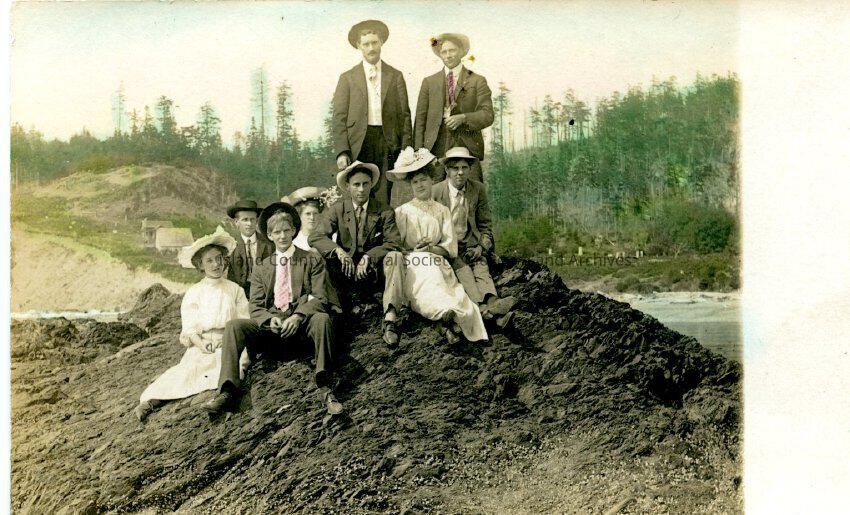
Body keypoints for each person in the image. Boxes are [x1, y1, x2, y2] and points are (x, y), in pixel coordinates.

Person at [204, 202, 344, 416]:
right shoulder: (262, 267)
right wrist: (270, 320)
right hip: (272, 333)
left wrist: (298, 316)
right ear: (269, 235)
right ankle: (227, 390)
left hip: (301, 330)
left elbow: (320, 297)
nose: (282, 236)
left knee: (322, 319)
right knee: (234, 326)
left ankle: (325, 385)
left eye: (286, 230)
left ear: (294, 230)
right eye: (277, 232)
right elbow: (255, 305)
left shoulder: (310, 259)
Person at [134, 226, 250, 422]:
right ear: (200, 266)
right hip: (202, 344)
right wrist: (201, 344)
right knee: (186, 373)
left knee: (229, 368)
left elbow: (243, 320)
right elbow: (189, 327)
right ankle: (151, 402)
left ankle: (224, 397)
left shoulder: (235, 290)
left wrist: (227, 340)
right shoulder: (195, 292)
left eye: (219, 259)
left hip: (230, 343)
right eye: (209, 261)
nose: (216, 264)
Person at [387, 147, 488, 344]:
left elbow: (450, 247)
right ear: (410, 185)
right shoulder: (403, 212)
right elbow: (397, 246)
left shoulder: (442, 211)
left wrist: (431, 249)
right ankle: (442, 312)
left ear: (431, 181)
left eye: (423, 180)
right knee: (427, 275)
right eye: (415, 182)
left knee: (450, 288)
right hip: (413, 263)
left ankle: (450, 314)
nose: (420, 185)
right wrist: (416, 251)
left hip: (438, 261)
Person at [309, 161, 406, 347]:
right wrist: (337, 250)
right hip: (344, 271)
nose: (361, 189)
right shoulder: (338, 209)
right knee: (315, 254)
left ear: (372, 185)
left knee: (396, 256)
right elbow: (316, 236)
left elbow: (393, 242)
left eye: (365, 184)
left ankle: (390, 318)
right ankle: (334, 310)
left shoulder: (384, 211)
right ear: (348, 186)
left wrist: (369, 256)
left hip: (372, 272)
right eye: (356, 184)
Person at [432, 147, 516, 328]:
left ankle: (494, 304)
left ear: (470, 169)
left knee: (481, 268)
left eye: (464, 167)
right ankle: (486, 311)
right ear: (447, 170)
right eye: (455, 168)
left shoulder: (477, 189)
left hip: (470, 245)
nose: (460, 172)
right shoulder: (436, 192)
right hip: (447, 248)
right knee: (465, 274)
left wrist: (481, 247)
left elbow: (485, 225)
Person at [332, 19, 413, 207]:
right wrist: (342, 151)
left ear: (381, 42)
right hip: (359, 143)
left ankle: (382, 226)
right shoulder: (347, 78)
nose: (371, 48)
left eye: (374, 43)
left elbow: (405, 115)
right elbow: (339, 118)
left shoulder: (395, 75)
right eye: (366, 44)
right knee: (359, 192)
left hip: (387, 143)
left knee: (383, 194)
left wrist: (406, 148)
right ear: (359, 46)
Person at [413, 33, 493, 186]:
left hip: (467, 147)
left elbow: (488, 114)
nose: (448, 55)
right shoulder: (429, 82)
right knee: (436, 194)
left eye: (452, 50)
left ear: (462, 52)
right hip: (435, 149)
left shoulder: (477, 80)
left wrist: (464, 118)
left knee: (472, 192)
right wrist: (420, 152)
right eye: (444, 52)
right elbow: (420, 120)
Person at [226, 200, 274, 296]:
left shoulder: (269, 243)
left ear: (256, 221)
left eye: (252, 219)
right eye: (245, 220)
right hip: (238, 293)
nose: (249, 223)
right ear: (236, 222)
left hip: (264, 292)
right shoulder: (230, 245)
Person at [281, 186, 340, 252]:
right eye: (308, 214)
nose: (312, 218)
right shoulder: (293, 240)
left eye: (315, 213)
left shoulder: (332, 238)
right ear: (299, 216)